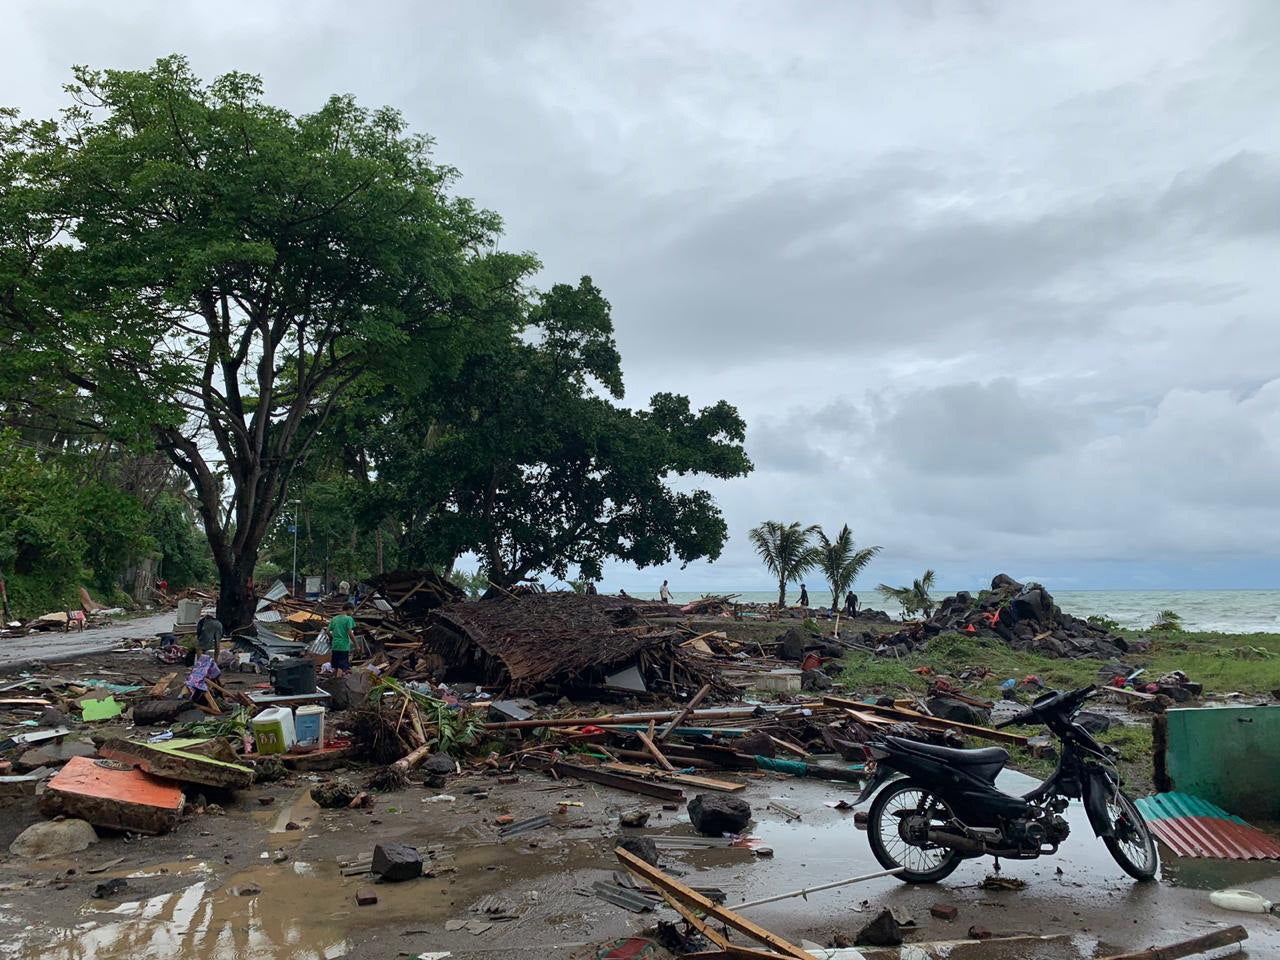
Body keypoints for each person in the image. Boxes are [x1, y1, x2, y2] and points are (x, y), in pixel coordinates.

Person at [328, 602, 357, 677]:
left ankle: (332, 682)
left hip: (335, 645)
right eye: (352, 611)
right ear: (349, 609)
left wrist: (333, 638)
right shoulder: (348, 619)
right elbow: (350, 633)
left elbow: (327, 631)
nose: (352, 613)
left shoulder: (334, 618)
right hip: (343, 646)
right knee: (341, 666)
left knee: (336, 666)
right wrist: (356, 644)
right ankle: (337, 683)